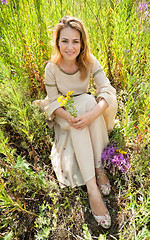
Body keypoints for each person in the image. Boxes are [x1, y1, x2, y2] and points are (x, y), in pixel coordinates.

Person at [34, 16, 117, 229]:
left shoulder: (89, 61)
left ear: (82, 43)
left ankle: (98, 169)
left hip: (86, 111)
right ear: (57, 42)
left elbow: (107, 90)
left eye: (75, 41)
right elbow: (53, 101)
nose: (70, 47)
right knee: (85, 106)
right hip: (66, 115)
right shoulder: (51, 68)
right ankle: (92, 188)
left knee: (90, 102)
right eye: (65, 41)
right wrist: (68, 117)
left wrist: (91, 115)